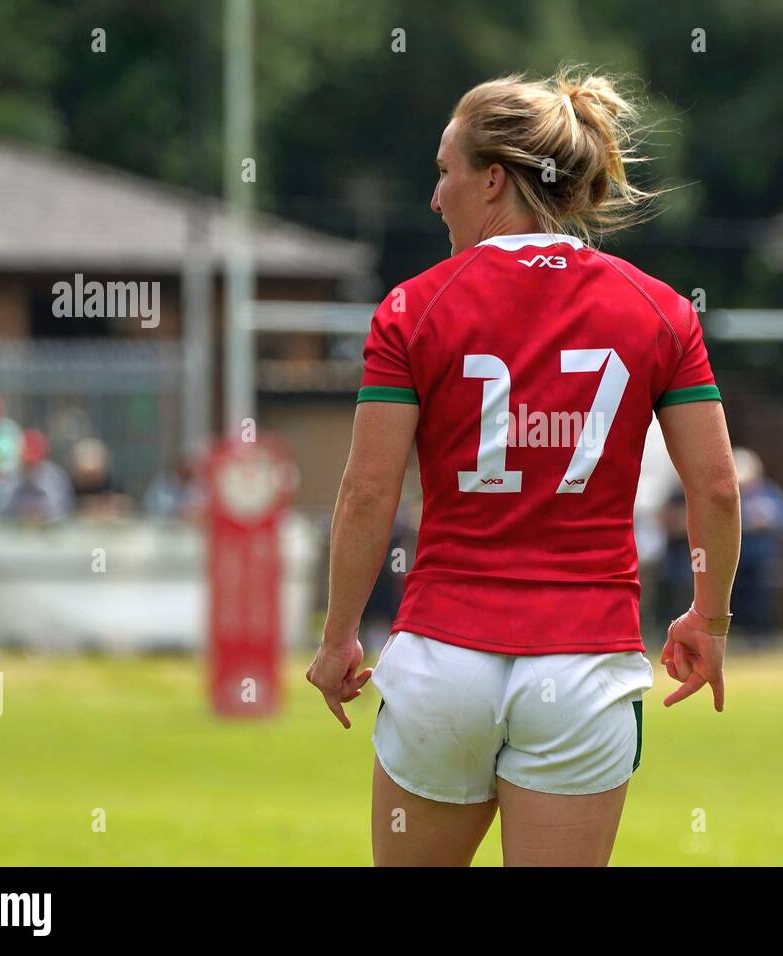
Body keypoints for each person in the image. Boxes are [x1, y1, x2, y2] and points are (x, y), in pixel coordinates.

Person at [305, 68, 741, 867]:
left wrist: (338, 638)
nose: (436, 198)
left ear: (495, 179)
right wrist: (708, 621)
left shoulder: (412, 306)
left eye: (446, 173)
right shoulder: (661, 309)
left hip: (443, 661)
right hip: (584, 668)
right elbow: (716, 487)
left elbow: (369, 491)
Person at [732, 448, 783, 643]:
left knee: (760, 597)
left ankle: (760, 636)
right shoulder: (730, 493)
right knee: (735, 597)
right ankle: (738, 635)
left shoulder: (769, 491)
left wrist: (762, 520)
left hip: (761, 557)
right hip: (734, 558)